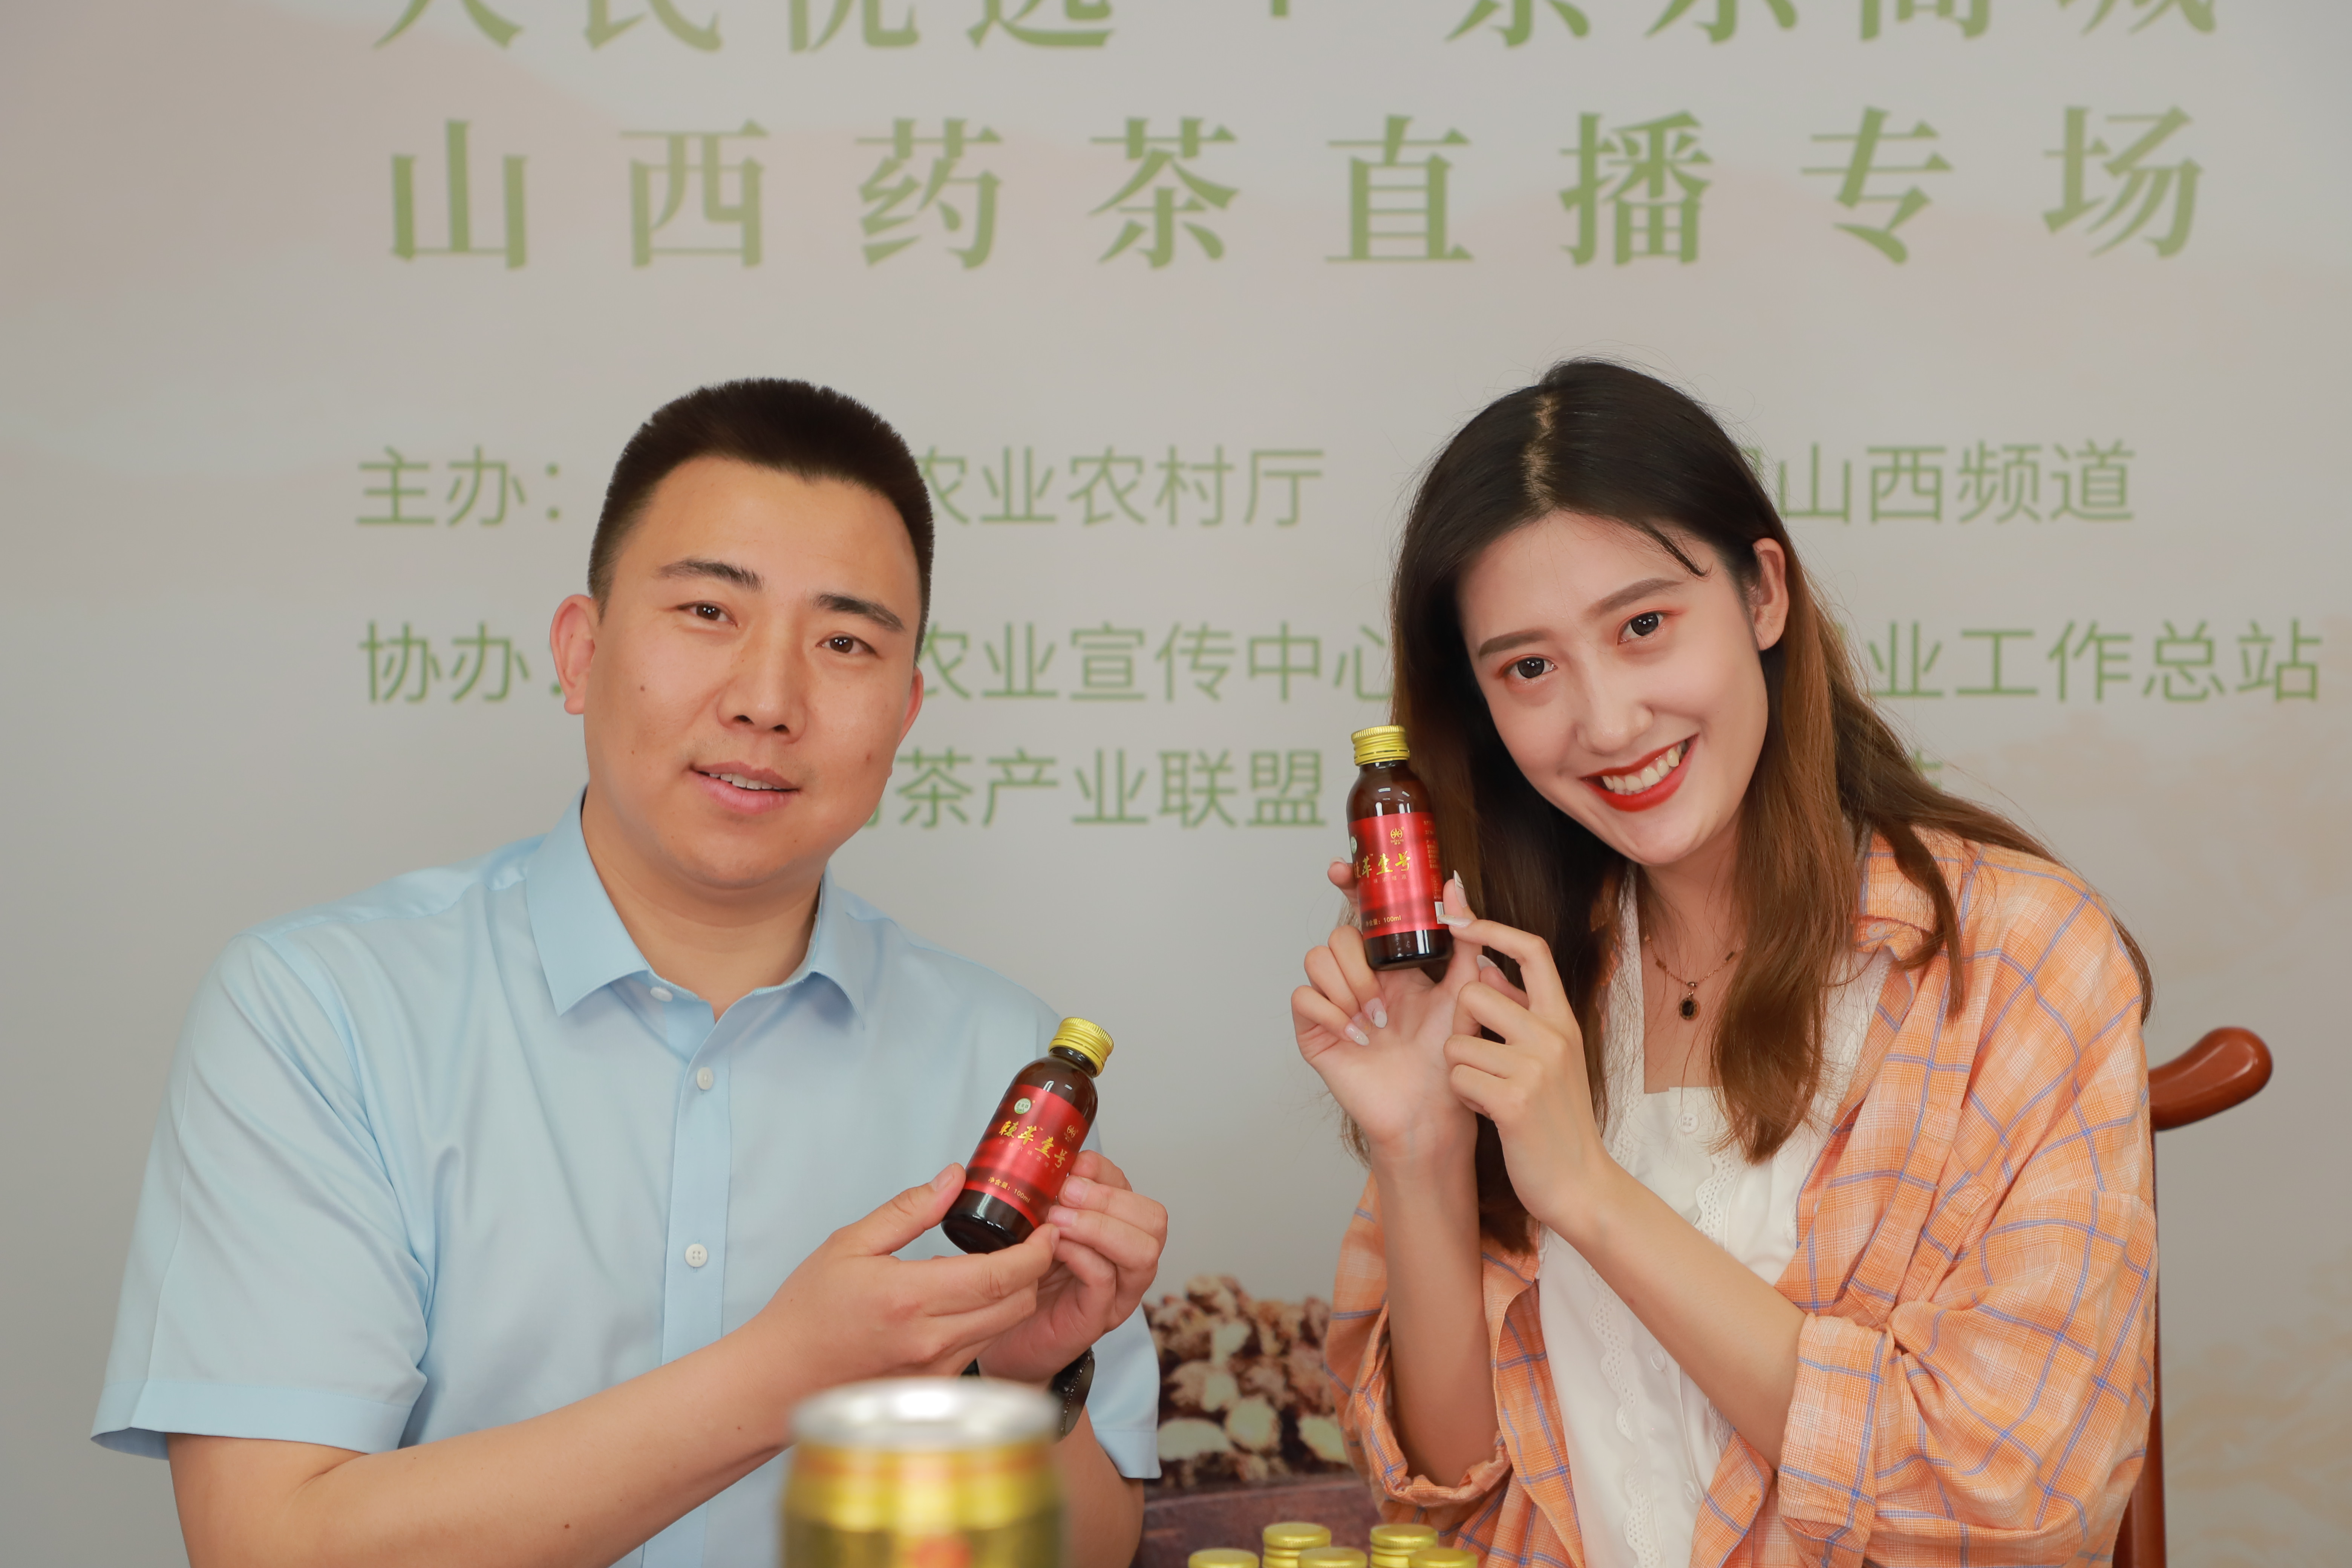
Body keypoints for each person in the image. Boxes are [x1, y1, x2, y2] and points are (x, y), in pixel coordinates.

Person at [93, 380, 1168, 1568]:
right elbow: (268, 1544)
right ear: (582, 651)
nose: (768, 701)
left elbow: (1094, 1550)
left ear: (905, 712)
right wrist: (785, 1376)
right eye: (709, 611)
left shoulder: (1005, 1063)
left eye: (845, 643)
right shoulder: (322, 1010)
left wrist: (1017, 1385)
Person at [1293, 361, 2156, 1566]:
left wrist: (1590, 1193)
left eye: (1643, 627)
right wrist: (1421, 1148)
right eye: (1529, 669)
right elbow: (1450, 1509)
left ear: (1762, 595)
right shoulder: (1517, 977)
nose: (1607, 723)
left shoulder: (2016, 958)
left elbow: (2013, 1509)